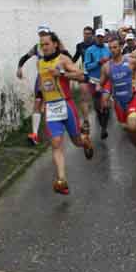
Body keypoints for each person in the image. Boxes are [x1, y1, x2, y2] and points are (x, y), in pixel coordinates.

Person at [37, 32, 94, 195]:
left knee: (76, 142)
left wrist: (62, 74)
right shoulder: (40, 63)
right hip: (50, 108)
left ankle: (86, 141)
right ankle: (62, 180)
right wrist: (40, 101)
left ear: (55, 44)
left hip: (66, 105)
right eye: (41, 45)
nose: (44, 47)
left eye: (46, 44)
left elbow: (83, 76)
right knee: (55, 142)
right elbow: (43, 84)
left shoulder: (63, 59)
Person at [100, 39, 136, 167]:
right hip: (118, 103)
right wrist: (104, 98)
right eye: (110, 48)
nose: (113, 50)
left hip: (132, 98)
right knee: (130, 132)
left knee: (132, 126)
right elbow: (104, 85)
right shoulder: (106, 67)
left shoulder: (131, 61)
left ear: (120, 47)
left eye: (115, 47)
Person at [16, 24, 52, 146]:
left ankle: (51, 133)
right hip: (41, 79)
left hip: (53, 79)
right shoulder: (37, 48)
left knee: (50, 105)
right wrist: (19, 68)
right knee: (37, 103)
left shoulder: (54, 46)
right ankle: (35, 135)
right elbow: (24, 57)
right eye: (41, 34)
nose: (42, 36)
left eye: (45, 33)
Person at [84, 29, 112, 139]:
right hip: (94, 80)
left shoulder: (108, 49)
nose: (100, 39)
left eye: (102, 37)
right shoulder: (89, 50)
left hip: (106, 80)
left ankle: (104, 128)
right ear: (95, 37)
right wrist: (99, 62)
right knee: (97, 105)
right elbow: (87, 66)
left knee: (106, 104)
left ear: (104, 38)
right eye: (98, 37)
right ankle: (102, 124)